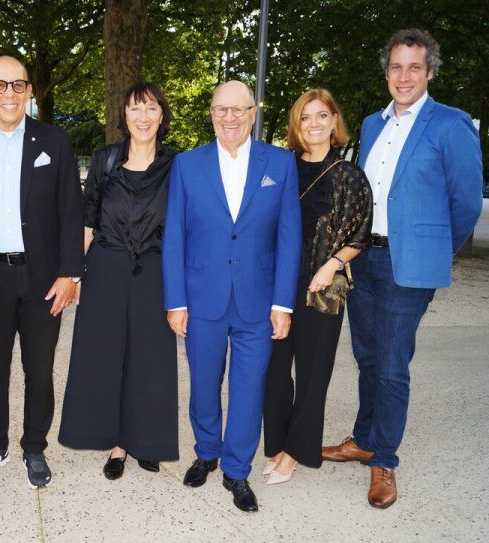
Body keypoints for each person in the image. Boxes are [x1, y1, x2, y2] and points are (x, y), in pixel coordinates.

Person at [322, 28, 483, 509]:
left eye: (415, 66)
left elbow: (465, 203)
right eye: (396, 66)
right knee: (368, 358)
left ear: (430, 71)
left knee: (392, 366)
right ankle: (363, 438)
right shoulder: (372, 124)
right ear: (387, 71)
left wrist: (433, 250)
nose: (404, 75)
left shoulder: (452, 125)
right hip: (362, 258)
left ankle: (384, 460)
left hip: (407, 268)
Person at [162, 80, 301, 513]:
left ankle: (237, 470)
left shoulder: (280, 163)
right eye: (221, 110)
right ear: (211, 114)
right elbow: (174, 238)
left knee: (247, 389)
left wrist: (283, 304)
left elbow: (290, 236)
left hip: (258, 303)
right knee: (204, 383)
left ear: (253, 112)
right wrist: (175, 301)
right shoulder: (187, 165)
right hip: (202, 298)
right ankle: (207, 453)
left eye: (238, 110)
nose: (229, 118)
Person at [0, 56, 84, 489]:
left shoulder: (55, 141)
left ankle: (35, 447)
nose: (8, 93)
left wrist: (71, 274)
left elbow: (71, 211)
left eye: (17, 85)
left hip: (43, 278)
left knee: (39, 369)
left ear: (30, 90)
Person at [58, 82, 178, 479]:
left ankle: (145, 439)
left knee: (151, 359)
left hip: (155, 271)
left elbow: (185, 229)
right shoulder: (105, 160)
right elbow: (87, 220)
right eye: (134, 110)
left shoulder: (178, 165)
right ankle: (116, 443)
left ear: (162, 114)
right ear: (123, 116)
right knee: (106, 356)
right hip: (106, 268)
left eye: (150, 109)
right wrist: (74, 274)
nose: (142, 117)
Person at [262, 88, 372, 485]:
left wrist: (331, 265)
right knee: (273, 368)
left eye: (322, 115)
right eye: (305, 117)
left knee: (312, 372)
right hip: (277, 283)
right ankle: (275, 443)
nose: (314, 123)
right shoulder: (280, 169)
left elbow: (360, 233)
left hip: (321, 288)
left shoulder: (349, 175)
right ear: (296, 124)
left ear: (333, 121)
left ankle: (295, 452)